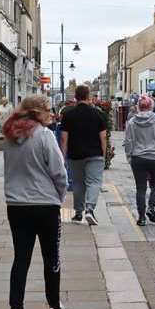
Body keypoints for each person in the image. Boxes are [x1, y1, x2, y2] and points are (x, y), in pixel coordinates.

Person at [2, 95, 73, 309]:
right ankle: (54, 307)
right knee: (51, 257)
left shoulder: (10, 136)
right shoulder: (44, 135)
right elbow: (59, 171)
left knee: (21, 258)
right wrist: (60, 196)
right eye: (48, 110)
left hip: (16, 205)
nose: (51, 114)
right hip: (45, 204)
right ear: (38, 112)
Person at [60, 85, 107, 226]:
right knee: (94, 182)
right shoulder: (99, 114)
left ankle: (78, 213)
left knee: (78, 183)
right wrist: (103, 155)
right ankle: (90, 210)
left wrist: (63, 156)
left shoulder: (68, 114)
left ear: (76, 96)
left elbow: (63, 138)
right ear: (89, 96)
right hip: (95, 154)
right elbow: (103, 137)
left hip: (75, 154)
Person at [123, 95, 155, 226]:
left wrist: (129, 156)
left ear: (138, 106)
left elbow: (128, 141)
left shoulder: (132, 122)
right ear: (151, 106)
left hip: (138, 158)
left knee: (141, 188)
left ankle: (141, 218)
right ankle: (151, 207)